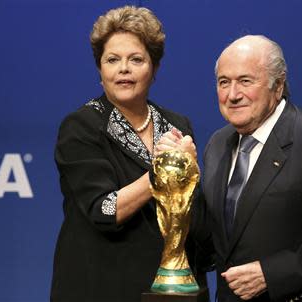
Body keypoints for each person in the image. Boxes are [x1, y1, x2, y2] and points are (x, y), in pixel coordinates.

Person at [156, 35, 302, 301]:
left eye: (245, 81)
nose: (233, 95)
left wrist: (270, 274)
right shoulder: (217, 143)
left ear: (278, 84)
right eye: (224, 82)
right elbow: (213, 241)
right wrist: (184, 176)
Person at [50, 6, 212, 302]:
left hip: (173, 290)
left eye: (136, 59)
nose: (123, 69)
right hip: (100, 287)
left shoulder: (177, 125)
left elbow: (192, 210)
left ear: (154, 69)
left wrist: (191, 172)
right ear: (100, 71)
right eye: (112, 60)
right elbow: (105, 210)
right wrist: (167, 168)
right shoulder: (81, 127)